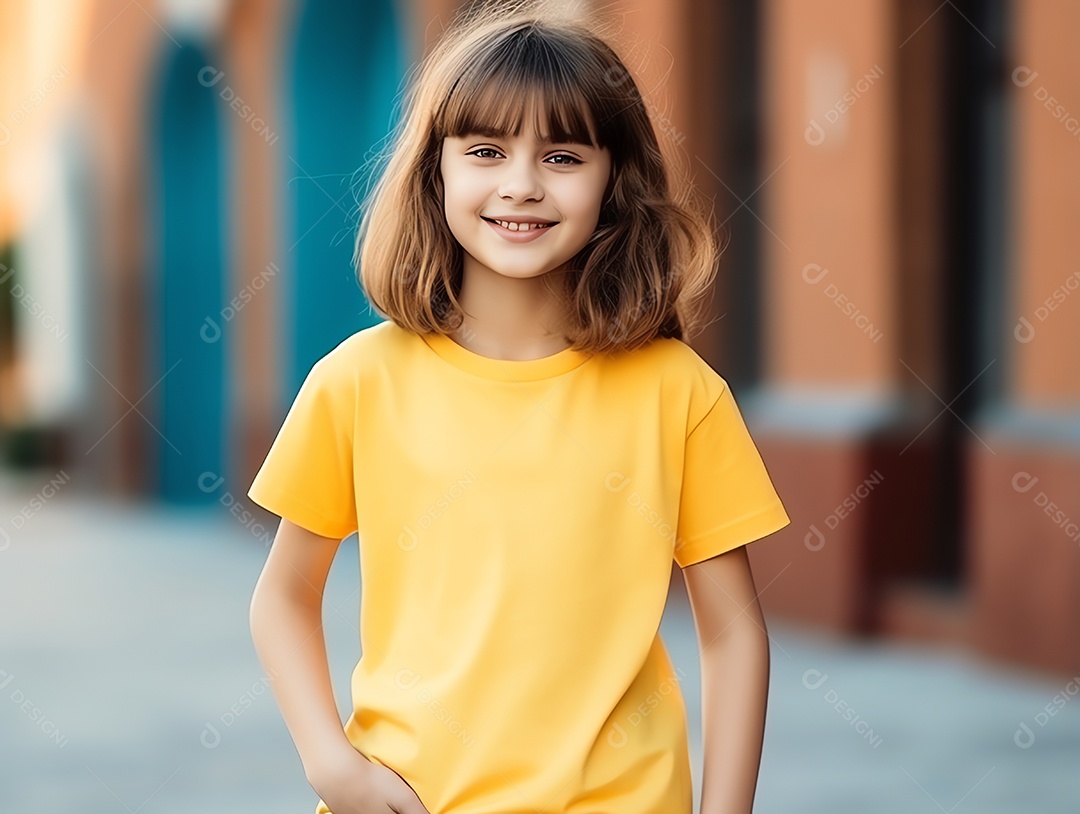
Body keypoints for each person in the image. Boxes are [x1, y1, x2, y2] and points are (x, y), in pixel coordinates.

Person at [247, 2, 791, 813]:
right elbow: (282, 597)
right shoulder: (357, 380)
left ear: (614, 179)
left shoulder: (679, 392)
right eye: (487, 150)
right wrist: (333, 767)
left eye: (564, 155)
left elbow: (734, 632)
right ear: (436, 171)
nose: (522, 185)